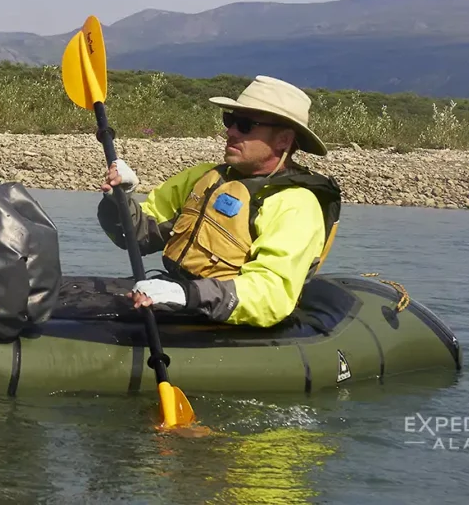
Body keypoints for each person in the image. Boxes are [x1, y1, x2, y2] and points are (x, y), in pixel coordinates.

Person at [97, 75, 342, 327]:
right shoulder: (203, 177)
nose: (231, 131)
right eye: (230, 120)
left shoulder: (296, 205)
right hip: (182, 299)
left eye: (245, 124)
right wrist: (119, 199)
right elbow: (136, 237)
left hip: (230, 321)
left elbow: (271, 293)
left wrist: (187, 295)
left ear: (283, 140)